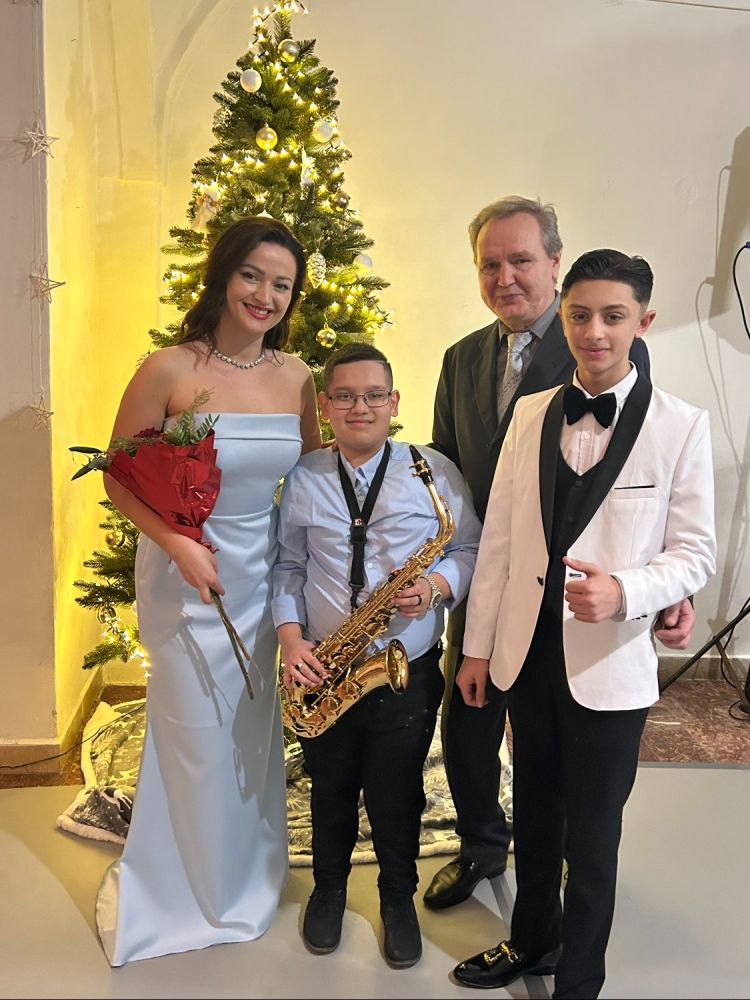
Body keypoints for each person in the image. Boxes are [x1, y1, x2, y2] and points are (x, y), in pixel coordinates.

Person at [451, 249, 716, 998]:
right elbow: (500, 542)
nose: (594, 331)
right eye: (579, 315)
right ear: (562, 317)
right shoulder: (531, 412)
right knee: (535, 812)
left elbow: (695, 552)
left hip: (609, 662)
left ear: (643, 322)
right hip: (527, 653)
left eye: (613, 316)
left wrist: (628, 591)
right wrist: (477, 648)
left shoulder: (682, 426)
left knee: (593, 835)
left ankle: (580, 979)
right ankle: (531, 940)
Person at [95, 217, 322, 966]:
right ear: (224, 274)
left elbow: (312, 479)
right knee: (193, 731)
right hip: (184, 571)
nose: (265, 295)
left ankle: (246, 872)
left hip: (264, 576)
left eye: (282, 284)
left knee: (249, 731)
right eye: (252, 275)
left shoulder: (298, 376)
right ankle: (182, 890)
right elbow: (120, 476)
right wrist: (177, 544)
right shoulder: (168, 368)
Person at [272, 342, 481, 969]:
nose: (359, 407)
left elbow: (468, 550)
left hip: (402, 666)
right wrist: (291, 640)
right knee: (329, 785)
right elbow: (287, 566)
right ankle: (329, 891)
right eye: (344, 396)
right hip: (326, 664)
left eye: (373, 395)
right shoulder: (305, 476)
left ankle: (397, 899)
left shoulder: (433, 471)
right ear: (326, 405)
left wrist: (436, 586)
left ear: (394, 402)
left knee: (397, 791)